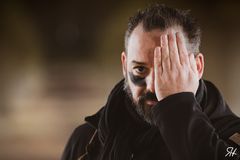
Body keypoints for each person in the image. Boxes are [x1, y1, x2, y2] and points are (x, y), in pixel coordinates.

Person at [61, 4, 240, 160]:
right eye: (140, 69)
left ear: (198, 67)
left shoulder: (231, 138)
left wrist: (177, 103)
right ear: (124, 66)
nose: (155, 86)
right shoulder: (85, 141)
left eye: (169, 68)